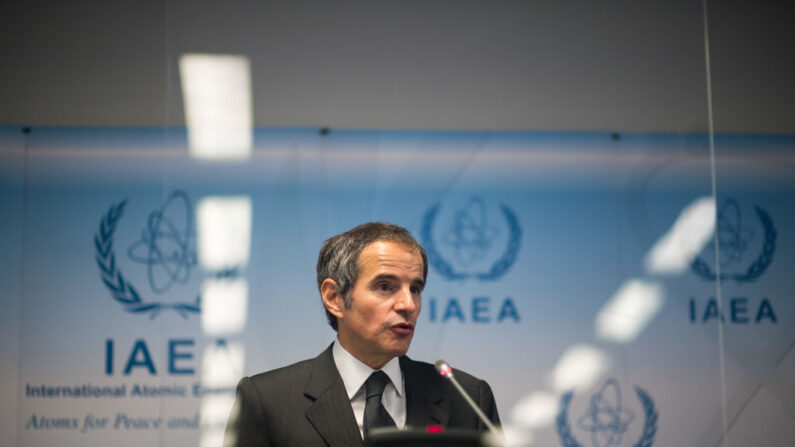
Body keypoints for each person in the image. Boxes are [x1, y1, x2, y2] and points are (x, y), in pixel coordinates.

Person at [224, 222, 500, 446]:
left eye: (415, 288)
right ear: (334, 297)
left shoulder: (468, 398)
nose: (408, 304)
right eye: (385, 286)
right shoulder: (268, 400)